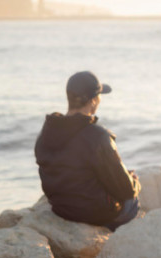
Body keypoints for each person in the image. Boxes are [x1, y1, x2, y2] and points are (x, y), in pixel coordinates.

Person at [35, 71, 141, 231]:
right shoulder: (97, 136)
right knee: (132, 202)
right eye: (99, 96)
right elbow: (126, 190)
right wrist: (134, 182)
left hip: (61, 209)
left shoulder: (47, 131)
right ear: (93, 101)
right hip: (94, 214)